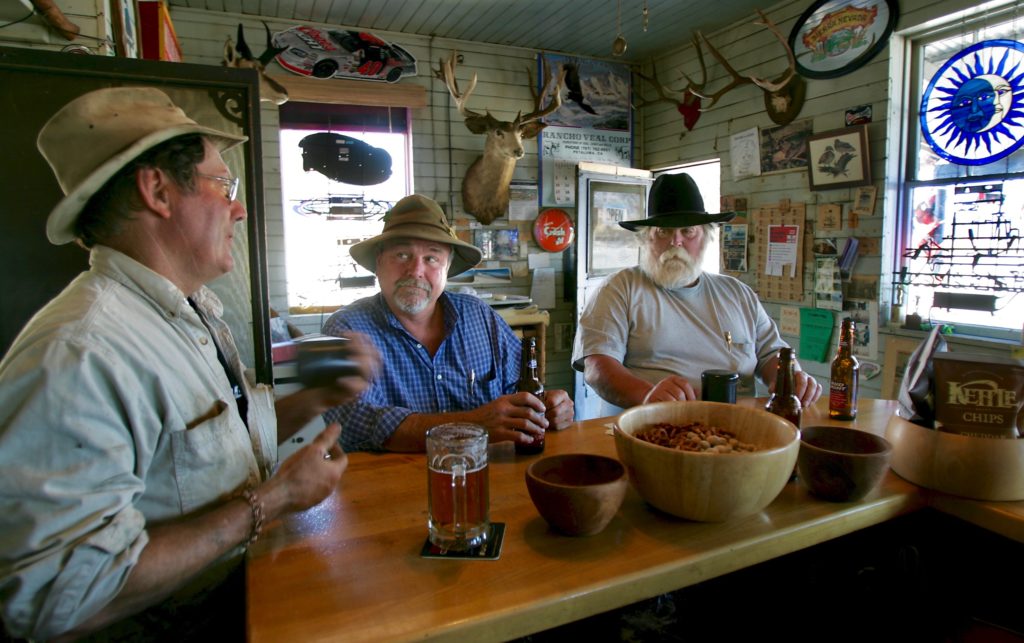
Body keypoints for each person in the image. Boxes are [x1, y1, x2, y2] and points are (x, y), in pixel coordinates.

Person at [0, 87, 378, 640]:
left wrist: (319, 396)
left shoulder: (188, 311)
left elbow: (211, 447)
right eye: (223, 185)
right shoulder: (80, 353)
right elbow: (56, 597)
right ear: (157, 191)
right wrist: (275, 499)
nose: (239, 207)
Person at [321, 194, 574, 452]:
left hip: (486, 478)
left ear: (447, 266)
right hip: (388, 487)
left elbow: (521, 390)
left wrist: (549, 407)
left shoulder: (480, 317)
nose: (416, 270)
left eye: (431, 258)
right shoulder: (343, 329)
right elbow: (350, 422)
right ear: (378, 263)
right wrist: (474, 424)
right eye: (401, 254)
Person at [572, 173, 821, 416]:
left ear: (707, 236)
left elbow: (770, 355)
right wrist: (648, 396)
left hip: (738, 430)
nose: (675, 241)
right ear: (646, 239)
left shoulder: (738, 294)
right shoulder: (620, 288)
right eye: (663, 231)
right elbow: (597, 368)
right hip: (651, 429)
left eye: (688, 231)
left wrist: (791, 378)